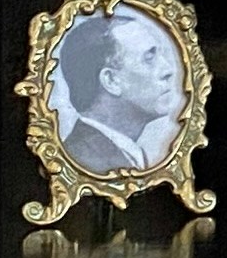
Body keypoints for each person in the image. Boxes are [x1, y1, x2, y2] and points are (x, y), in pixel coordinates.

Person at [59, 12, 185, 172]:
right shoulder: (85, 159)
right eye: (149, 58)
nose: (168, 70)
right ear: (111, 80)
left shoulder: (123, 154)